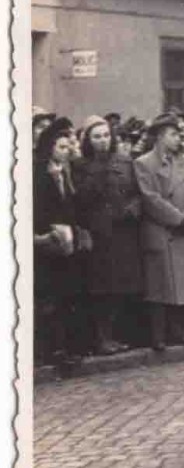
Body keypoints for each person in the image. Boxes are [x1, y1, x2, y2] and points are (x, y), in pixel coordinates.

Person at [73, 115, 142, 355]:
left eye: (105, 136)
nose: (102, 141)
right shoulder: (81, 165)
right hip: (99, 234)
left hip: (123, 232)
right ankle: (102, 338)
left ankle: (114, 335)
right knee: (101, 289)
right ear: (88, 140)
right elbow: (82, 199)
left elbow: (136, 191)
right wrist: (99, 170)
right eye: (97, 137)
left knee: (120, 287)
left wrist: (134, 207)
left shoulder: (124, 161)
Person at [134, 113, 184, 351]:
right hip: (161, 231)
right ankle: (159, 336)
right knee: (160, 285)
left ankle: (181, 332)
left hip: (183, 230)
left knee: (183, 284)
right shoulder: (144, 163)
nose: (179, 138)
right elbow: (150, 198)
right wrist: (176, 217)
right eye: (174, 134)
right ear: (161, 136)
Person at [34, 117, 88, 368]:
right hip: (47, 243)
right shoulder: (40, 173)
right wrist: (44, 235)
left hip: (66, 243)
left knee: (67, 295)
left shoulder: (67, 173)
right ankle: (50, 350)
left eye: (68, 148)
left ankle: (66, 347)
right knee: (50, 299)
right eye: (61, 148)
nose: (65, 153)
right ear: (50, 148)